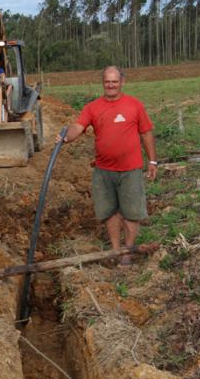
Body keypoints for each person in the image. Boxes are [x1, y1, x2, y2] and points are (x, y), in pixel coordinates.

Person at [56, 66, 157, 267]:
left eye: (114, 81)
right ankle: (114, 249)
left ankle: (127, 252)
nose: (111, 85)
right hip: (104, 170)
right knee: (109, 211)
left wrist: (152, 161)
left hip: (130, 169)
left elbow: (146, 133)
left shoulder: (134, 105)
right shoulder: (92, 107)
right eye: (107, 81)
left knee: (131, 213)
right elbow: (79, 126)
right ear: (103, 83)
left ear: (121, 82)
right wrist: (66, 137)